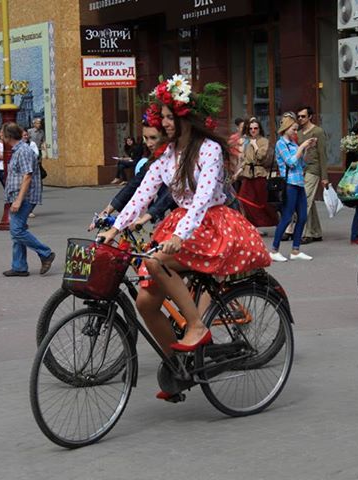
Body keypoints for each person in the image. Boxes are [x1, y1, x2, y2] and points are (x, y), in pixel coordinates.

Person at [99, 75, 271, 373]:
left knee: (155, 261)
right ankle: (180, 367)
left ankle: (196, 326)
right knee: (144, 303)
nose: (164, 123)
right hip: (183, 225)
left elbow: (203, 199)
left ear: (185, 118)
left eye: (169, 117)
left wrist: (179, 235)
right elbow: (142, 194)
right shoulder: (167, 154)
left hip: (212, 224)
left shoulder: (209, 150)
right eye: (162, 117)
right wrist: (114, 229)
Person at [95, 117, 175, 229]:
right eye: (145, 138)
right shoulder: (154, 162)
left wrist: (145, 218)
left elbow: (170, 193)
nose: (149, 143)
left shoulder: (180, 157)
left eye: (153, 138)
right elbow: (136, 188)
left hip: (194, 217)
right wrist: (106, 212)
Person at [1, 122, 55, 277]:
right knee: (19, 229)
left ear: (8, 136)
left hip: (24, 196)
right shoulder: (18, 150)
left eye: (1, 133)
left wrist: (18, 200)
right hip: (18, 195)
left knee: (16, 230)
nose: (0, 136)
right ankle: (19, 266)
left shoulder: (23, 151)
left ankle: (45, 253)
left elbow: (27, 176)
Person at [269, 114, 318, 261]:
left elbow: (302, 164)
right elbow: (290, 162)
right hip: (289, 184)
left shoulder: (293, 144)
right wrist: (302, 146)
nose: (295, 132)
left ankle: (295, 250)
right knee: (287, 217)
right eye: (294, 129)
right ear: (286, 128)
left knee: (302, 216)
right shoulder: (281, 144)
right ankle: (274, 249)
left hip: (299, 183)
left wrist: (307, 149)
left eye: (296, 130)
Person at [292, 106, 329, 243]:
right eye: (299, 116)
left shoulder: (318, 131)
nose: (300, 119)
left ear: (310, 117)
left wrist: (324, 177)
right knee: (310, 202)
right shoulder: (299, 133)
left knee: (304, 200)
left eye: (303, 116)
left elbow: (322, 154)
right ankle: (316, 232)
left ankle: (305, 233)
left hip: (314, 169)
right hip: (302, 170)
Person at [236, 117, 278, 228]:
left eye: (255, 128)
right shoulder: (247, 142)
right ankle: (251, 224)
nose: (253, 131)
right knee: (243, 199)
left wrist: (255, 145)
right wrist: (237, 173)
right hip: (248, 175)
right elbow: (245, 160)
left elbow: (261, 156)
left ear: (259, 129)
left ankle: (276, 220)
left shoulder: (264, 141)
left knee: (262, 201)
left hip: (259, 174)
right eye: (251, 129)